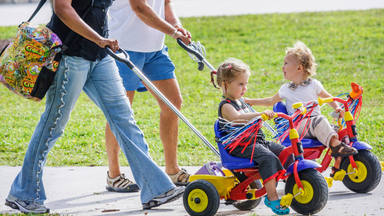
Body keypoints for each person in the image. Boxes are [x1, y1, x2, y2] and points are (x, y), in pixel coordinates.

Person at [5, 0, 184, 214]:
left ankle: (155, 189)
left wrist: (101, 40)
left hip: (100, 56)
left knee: (123, 119)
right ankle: (23, 194)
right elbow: (62, 8)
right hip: (71, 55)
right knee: (53, 125)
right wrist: (98, 38)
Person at [104, 0, 191, 192]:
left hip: (155, 50)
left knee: (173, 103)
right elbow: (139, 8)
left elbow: (166, 4)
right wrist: (172, 31)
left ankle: (172, 169)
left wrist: (177, 25)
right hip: (123, 48)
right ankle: (114, 175)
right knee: (120, 112)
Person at [245, 41, 358, 161]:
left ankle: (339, 162)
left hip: (314, 122)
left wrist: (337, 108)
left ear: (299, 68)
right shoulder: (286, 89)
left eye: (286, 63)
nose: (282, 67)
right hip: (298, 124)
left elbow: (327, 97)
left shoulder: (314, 84)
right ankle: (336, 147)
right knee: (321, 121)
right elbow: (270, 101)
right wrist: (251, 101)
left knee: (338, 130)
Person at [215, 58, 290, 215]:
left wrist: (266, 110)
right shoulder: (226, 106)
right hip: (240, 147)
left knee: (285, 152)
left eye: (246, 84)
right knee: (268, 158)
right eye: (240, 84)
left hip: (256, 142)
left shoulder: (241, 102)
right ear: (225, 84)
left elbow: (253, 109)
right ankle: (272, 197)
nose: (245, 88)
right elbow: (236, 118)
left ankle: (293, 185)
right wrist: (259, 115)